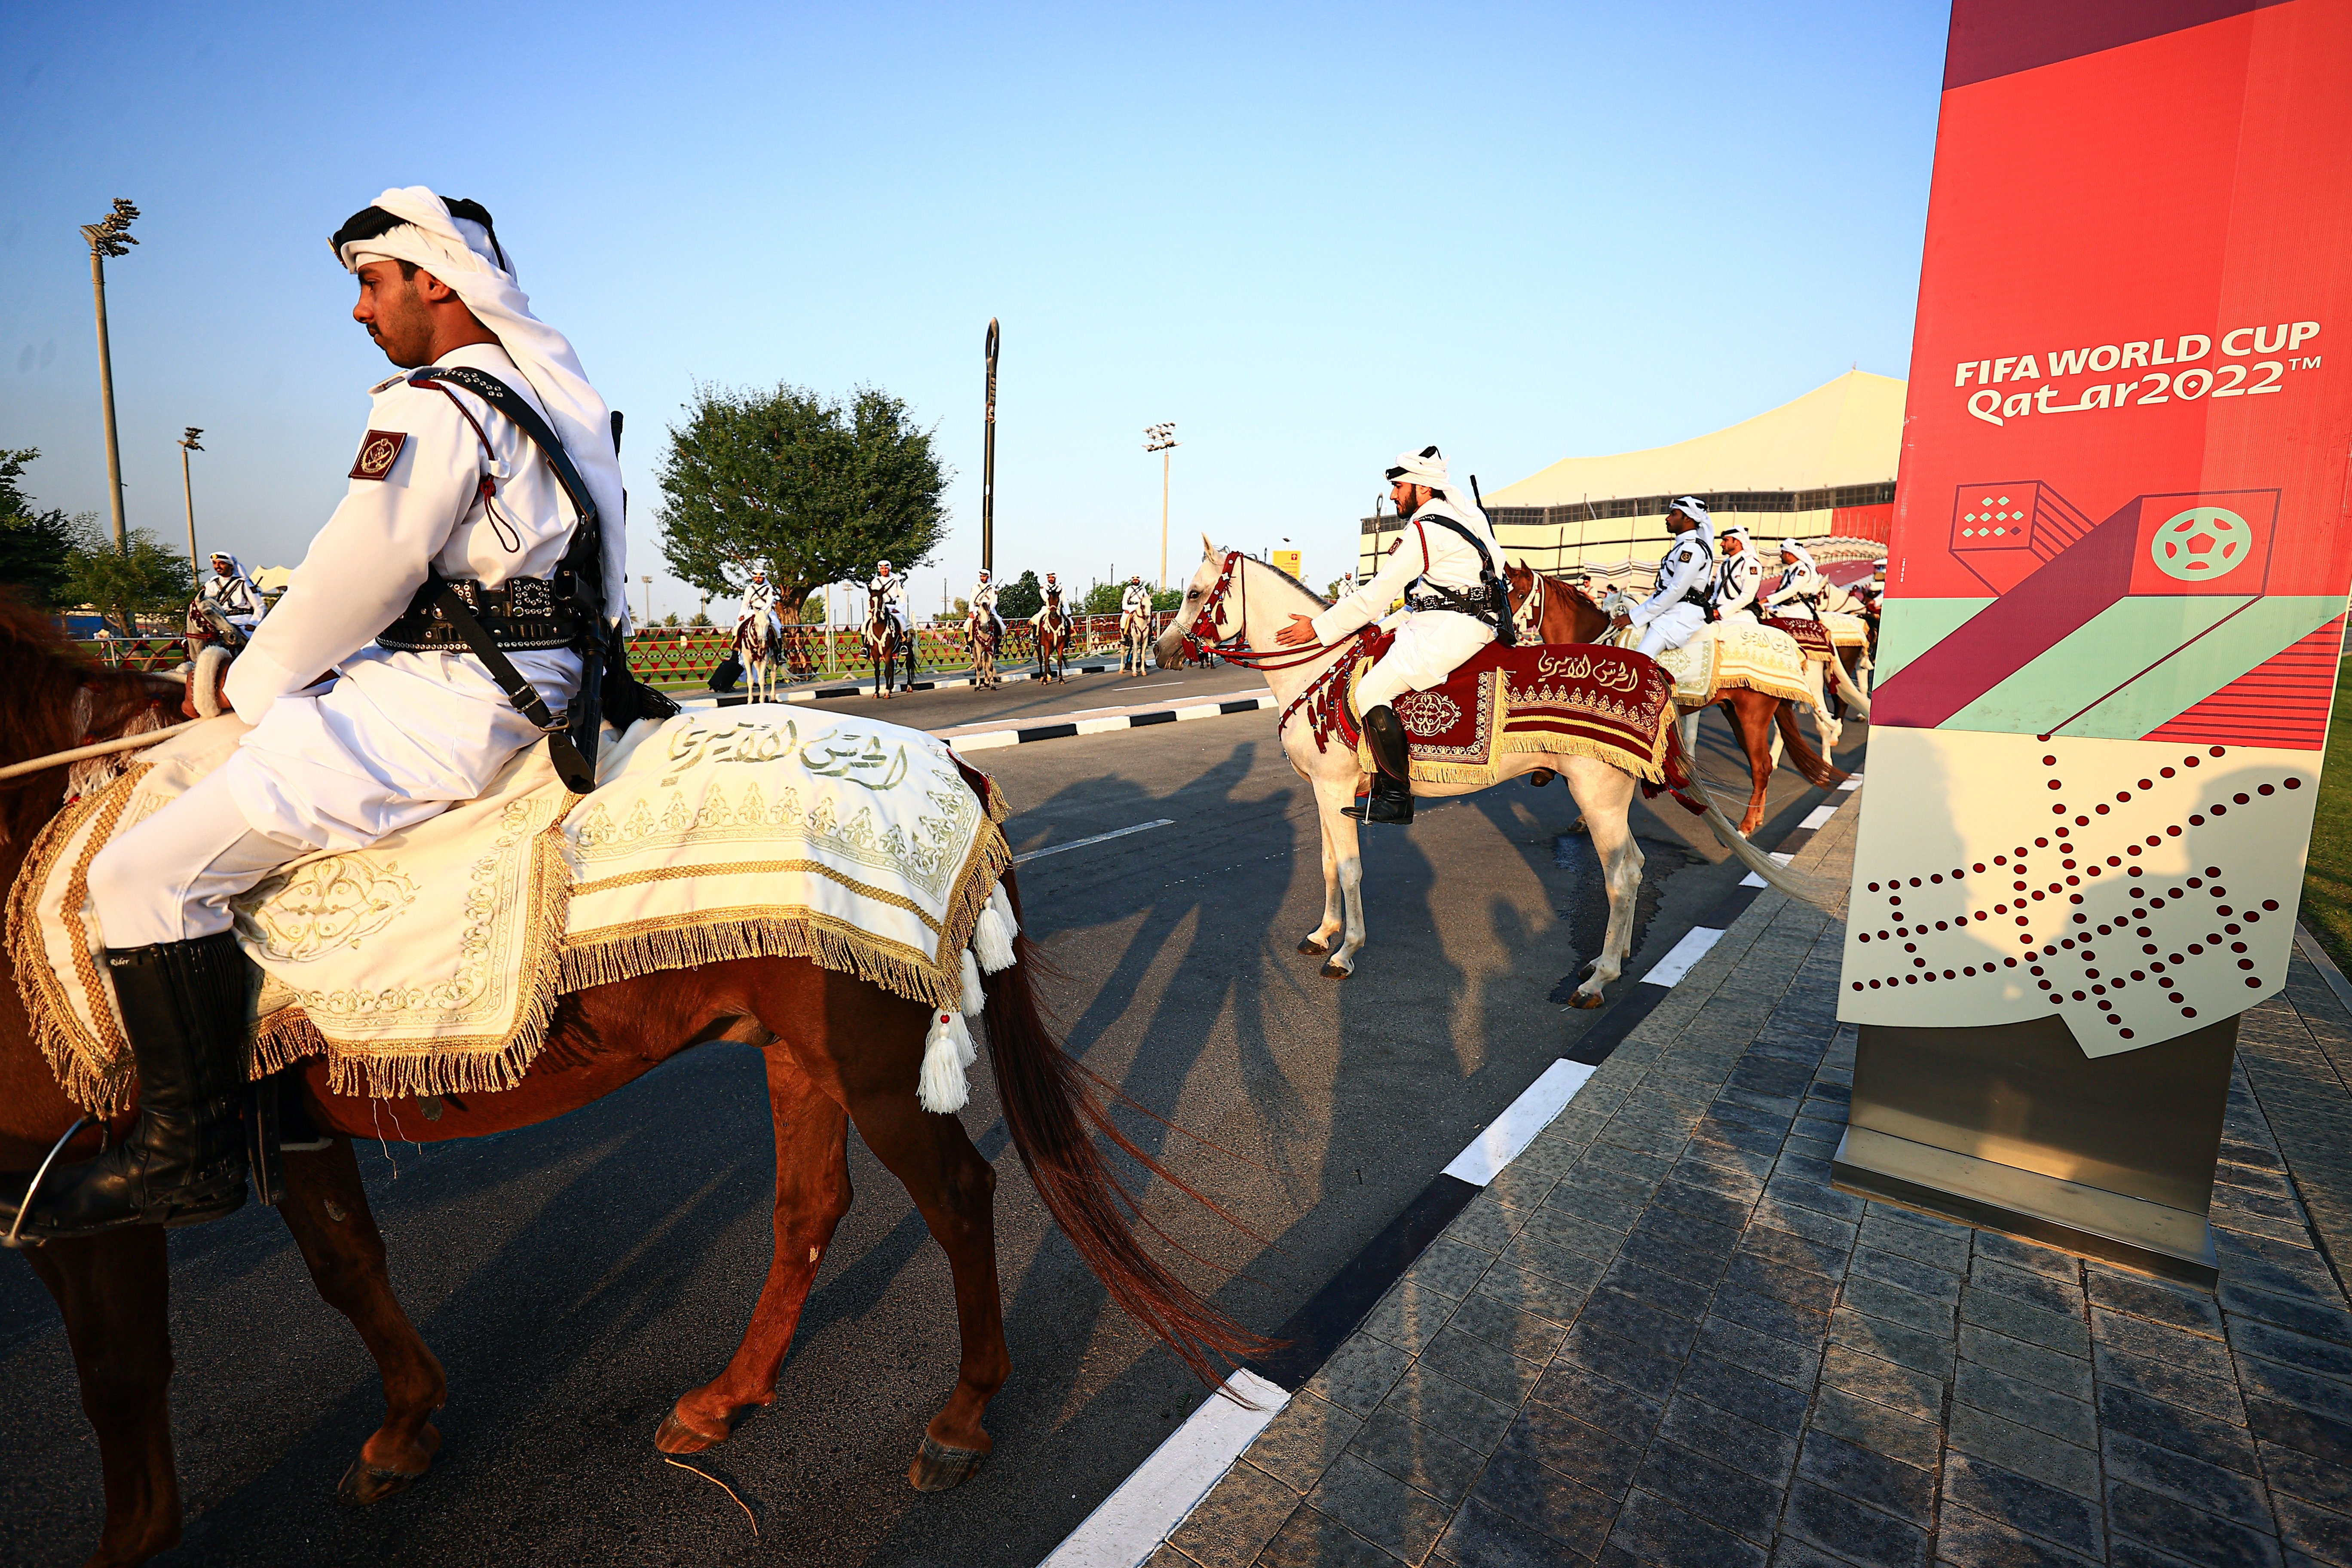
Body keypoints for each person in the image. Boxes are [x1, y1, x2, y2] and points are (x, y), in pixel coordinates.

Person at [6, 187, 642, 1241]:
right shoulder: (539, 397)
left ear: (435, 278)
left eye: (370, 284)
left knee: (139, 871)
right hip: (524, 691)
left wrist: (247, 681)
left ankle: (184, 1152)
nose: (359, 312)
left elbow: (361, 572)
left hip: (439, 710)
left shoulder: (430, 405)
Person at [1274, 445, 1510, 826]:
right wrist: (1378, 629)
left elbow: (1375, 595)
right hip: (1453, 620)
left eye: (1400, 487)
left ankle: (1397, 796)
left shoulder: (1426, 529)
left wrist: (1317, 629)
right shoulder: (1466, 518)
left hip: (1452, 628)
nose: (1395, 495)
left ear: (1422, 489)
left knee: (1370, 691)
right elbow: (1423, 601)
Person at [1613, 496, 1716, 657]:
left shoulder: (1692, 550)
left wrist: (1633, 617)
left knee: (1642, 658)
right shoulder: (1682, 546)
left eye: (1674, 514)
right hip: (1670, 610)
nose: (1668, 519)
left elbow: (1676, 590)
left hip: (1680, 615)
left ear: (1688, 518)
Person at [196, 551, 266, 636]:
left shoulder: (244, 583)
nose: (217, 566)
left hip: (242, 622)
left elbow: (260, 606)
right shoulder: (212, 583)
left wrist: (253, 624)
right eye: (215, 563)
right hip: (220, 622)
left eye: (222, 564)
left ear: (231, 566)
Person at [1712, 524, 1763, 623]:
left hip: (1740, 616)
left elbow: (1747, 597)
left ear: (1737, 542)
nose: (1722, 544)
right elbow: (1716, 594)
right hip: (1719, 615)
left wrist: (1719, 612)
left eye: (1726, 540)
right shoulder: (1724, 565)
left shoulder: (1751, 564)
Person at [1763, 540, 1825, 620]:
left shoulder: (1804, 571)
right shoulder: (1791, 570)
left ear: (1789, 554)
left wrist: (1765, 600)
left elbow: (1792, 590)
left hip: (1798, 610)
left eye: (1783, 553)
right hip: (1784, 607)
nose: (1781, 556)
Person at [737, 562, 782, 643]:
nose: (758, 579)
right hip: (752, 612)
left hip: (767, 612)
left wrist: (762, 612)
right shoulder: (749, 589)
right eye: (756, 577)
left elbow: (770, 602)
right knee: (737, 628)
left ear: (764, 578)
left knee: (777, 628)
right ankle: (735, 651)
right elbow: (745, 603)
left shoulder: (769, 589)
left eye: (760, 578)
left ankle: (778, 652)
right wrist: (742, 614)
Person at [970, 568, 1005, 641]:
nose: (983, 578)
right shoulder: (975, 587)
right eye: (981, 576)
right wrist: (971, 611)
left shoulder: (992, 588)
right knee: (967, 625)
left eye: (984, 576)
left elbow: (995, 601)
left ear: (988, 577)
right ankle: (969, 645)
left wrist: (990, 610)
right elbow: (972, 600)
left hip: (990, 609)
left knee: (1003, 627)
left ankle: (998, 644)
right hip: (978, 609)